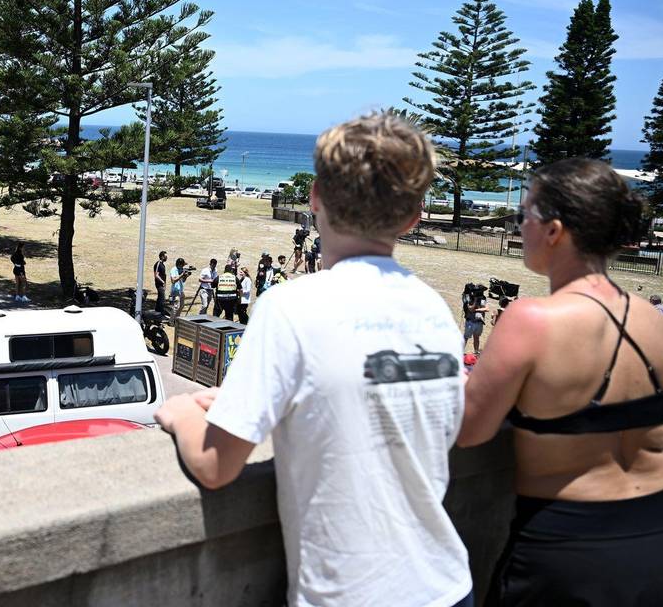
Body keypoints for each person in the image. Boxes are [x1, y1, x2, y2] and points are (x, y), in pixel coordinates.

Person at [156, 113, 472, 607]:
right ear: (415, 217)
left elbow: (216, 466)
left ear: (315, 197)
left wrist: (178, 415)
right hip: (449, 586)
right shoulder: (436, 311)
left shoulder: (291, 305)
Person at [459, 158, 663, 605]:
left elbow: (471, 430)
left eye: (523, 214)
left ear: (553, 231)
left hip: (575, 547)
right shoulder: (651, 319)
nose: (517, 226)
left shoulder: (530, 319)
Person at [462, 285, 487, 354]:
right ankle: (460, 351)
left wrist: (476, 309)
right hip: (470, 321)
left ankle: (476, 352)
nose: (481, 293)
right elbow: (470, 308)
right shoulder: (469, 297)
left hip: (479, 322)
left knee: (476, 338)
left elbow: (485, 308)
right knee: (466, 337)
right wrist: (475, 300)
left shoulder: (483, 298)